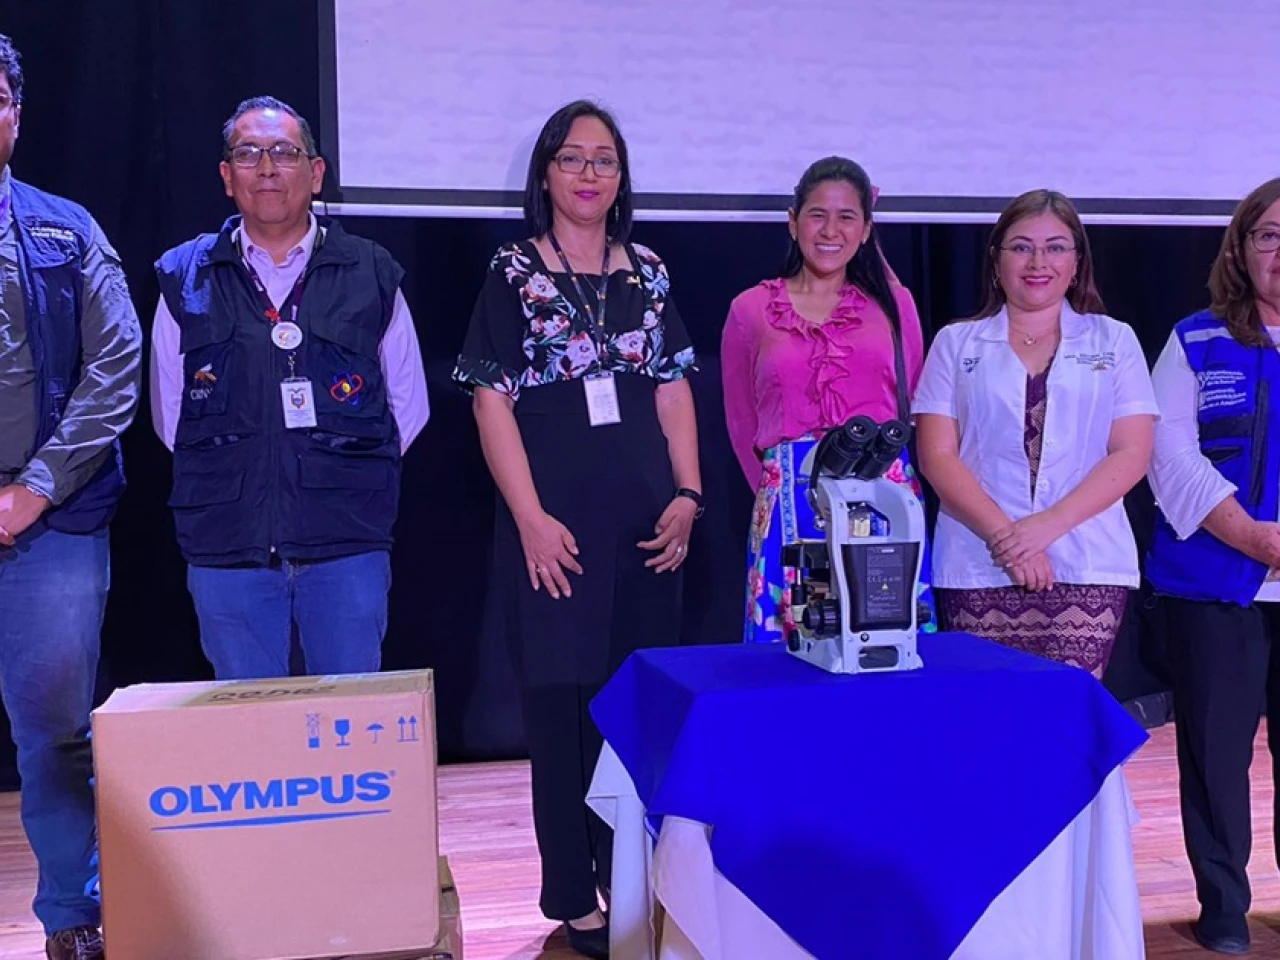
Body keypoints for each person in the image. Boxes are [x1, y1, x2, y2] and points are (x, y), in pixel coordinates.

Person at [453, 99, 700, 958]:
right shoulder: (514, 269)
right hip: (554, 525)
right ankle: (572, 893)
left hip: (648, 526)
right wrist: (528, 518)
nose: (589, 173)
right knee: (561, 709)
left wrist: (690, 493)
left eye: (604, 159)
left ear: (621, 176)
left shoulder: (650, 271)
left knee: (633, 708)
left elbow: (674, 387)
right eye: (572, 158)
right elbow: (490, 401)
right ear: (547, 173)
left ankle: (630, 876)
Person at [149, 96, 428, 679]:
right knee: (249, 723)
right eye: (248, 154)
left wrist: (333, 473)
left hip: (346, 542)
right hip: (229, 547)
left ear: (316, 172)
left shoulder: (371, 271)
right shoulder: (185, 276)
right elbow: (171, 414)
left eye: (284, 152)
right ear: (227, 176)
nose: (267, 168)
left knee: (347, 718)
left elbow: (407, 406)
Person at [0, 34, 143, 960]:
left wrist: (37, 488)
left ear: (16, 114)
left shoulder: (67, 228)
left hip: (47, 525)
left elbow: (118, 364)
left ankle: (71, 914)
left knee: (55, 738)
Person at [912, 189, 1156, 677]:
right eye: (1021, 247)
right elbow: (937, 456)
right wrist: (1008, 540)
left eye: (1055, 247)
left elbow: (1131, 452)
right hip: (980, 561)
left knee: (1065, 713)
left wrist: (1045, 528)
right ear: (996, 260)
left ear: (1077, 262)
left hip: (1087, 561)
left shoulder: (1115, 339)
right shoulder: (955, 343)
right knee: (987, 714)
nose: (1038, 262)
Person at [1145, 177, 1280, 956]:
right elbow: (1168, 454)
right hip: (1216, 585)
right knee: (1215, 755)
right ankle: (1224, 906)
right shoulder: (1196, 340)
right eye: (1269, 235)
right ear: (1242, 249)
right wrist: (1255, 538)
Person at [720, 156, 931, 644]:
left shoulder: (894, 305)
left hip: (883, 495)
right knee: (791, 646)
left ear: (866, 230)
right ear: (793, 222)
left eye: (847, 217)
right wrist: (775, 490)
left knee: (883, 638)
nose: (830, 230)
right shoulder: (751, 309)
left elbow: (914, 397)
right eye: (817, 215)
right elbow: (740, 419)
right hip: (789, 499)